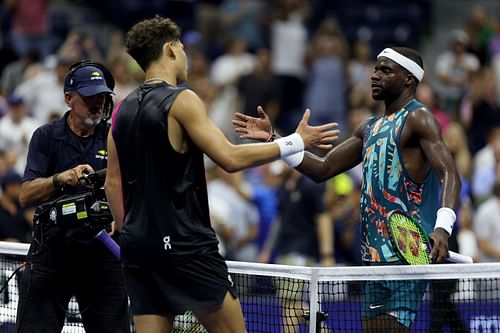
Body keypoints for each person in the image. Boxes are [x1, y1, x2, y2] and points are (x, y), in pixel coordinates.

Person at [104, 16, 338, 333]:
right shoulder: (182, 99)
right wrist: (295, 142)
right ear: (171, 50)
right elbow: (229, 157)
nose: (186, 55)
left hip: (138, 248)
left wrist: (128, 231)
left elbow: (112, 182)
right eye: (183, 48)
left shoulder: (121, 110)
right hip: (186, 247)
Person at [234, 46, 462, 332]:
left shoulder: (419, 119)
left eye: (385, 70)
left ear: (408, 79)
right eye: (376, 69)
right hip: (372, 258)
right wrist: (274, 139)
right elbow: (323, 169)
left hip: (407, 256)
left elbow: (450, 173)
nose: (375, 75)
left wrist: (443, 227)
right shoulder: (368, 128)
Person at [16, 60, 130, 333]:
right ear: (69, 98)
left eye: (103, 98)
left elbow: (133, 185)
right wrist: (61, 178)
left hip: (103, 257)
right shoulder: (46, 137)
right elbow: (25, 195)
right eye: (90, 97)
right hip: (51, 254)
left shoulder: (114, 137)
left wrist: (121, 215)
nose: (98, 104)